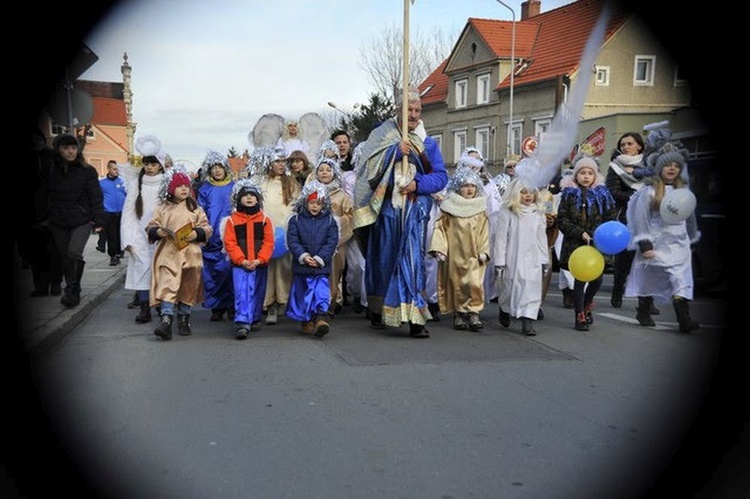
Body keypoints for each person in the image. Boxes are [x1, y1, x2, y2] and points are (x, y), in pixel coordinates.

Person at [352, 85, 448, 338]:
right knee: (383, 260)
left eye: (417, 110)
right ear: (398, 111)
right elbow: (367, 171)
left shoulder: (428, 143)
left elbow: (440, 177)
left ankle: (415, 317)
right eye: (409, 109)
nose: (414, 114)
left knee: (412, 261)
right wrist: (394, 152)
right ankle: (379, 307)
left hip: (414, 212)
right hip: (386, 211)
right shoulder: (381, 135)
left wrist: (418, 184)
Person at [624, 142, 701, 332]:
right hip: (656, 242)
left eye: (676, 165)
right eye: (668, 165)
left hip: (678, 243)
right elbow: (641, 219)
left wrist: (691, 238)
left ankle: (684, 320)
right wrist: (645, 244)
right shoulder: (649, 192)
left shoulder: (683, 192)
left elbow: (689, 217)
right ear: (660, 168)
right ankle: (643, 309)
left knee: (680, 281)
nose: (672, 168)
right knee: (650, 276)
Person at [147, 167, 213, 340]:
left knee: (188, 286)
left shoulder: (196, 209)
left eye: (186, 186)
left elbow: (207, 227)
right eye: (179, 186)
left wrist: (197, 233)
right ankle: (166, 319)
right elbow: (151, 225)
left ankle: (184, 317)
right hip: (169, 253)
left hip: (191, 255)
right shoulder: (163, 208)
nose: (184, 189)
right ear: (171, 189)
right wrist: (158, 231)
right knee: (168, 282)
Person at [555, 155, 617, 331]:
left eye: (590, 173)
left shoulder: (603, 194)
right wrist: (579, 232)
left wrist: (601, 234)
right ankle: (579, 314)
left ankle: (588, 303)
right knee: (580, 280)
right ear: (576, 175)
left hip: (597, 243)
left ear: (595, 175)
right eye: (582, 172)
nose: (586, 176)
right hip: (576, 244)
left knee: (597, 279)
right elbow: (562, 220)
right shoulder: (568, 195)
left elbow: (610, 218)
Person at [46, 133, 105, 308]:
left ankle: (72, 291)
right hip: (58, 220)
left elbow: (95, 196)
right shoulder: (51, 170)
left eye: (73, 147)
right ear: (59, 150)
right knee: (65, 257)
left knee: (74, 252)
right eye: (66, 148)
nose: (70, 151)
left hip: (81, 219)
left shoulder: (87, 171)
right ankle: (74, 286)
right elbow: (45, 194)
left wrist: (99, 220)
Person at [428, 167, 490, 332]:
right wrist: (440, 249)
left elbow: (484, 232)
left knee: (474, 283)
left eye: (472, 186)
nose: (469, 189)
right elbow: (440, 228)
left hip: (474, 255)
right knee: (456, 283)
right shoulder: (449, 208)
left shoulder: (480, 209)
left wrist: (484, 251)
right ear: (458, 187)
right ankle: (459, 313)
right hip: (454, 254)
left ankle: (474, 312)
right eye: (464, 185)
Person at [248, 147, 301, 325]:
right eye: (277, 161)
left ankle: (282, 301)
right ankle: (269, 303)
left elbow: (297, 205)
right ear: (269, 163)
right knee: (268, 268)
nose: (281, 165)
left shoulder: (291, 183)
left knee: (284, 268)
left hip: (285, 232)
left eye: (282, 161)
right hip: (266, 232)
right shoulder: (261, 183)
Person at [604, 131, 656, 311]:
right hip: (627, 216)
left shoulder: (649, 164)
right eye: (622, 144)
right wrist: (637, 196)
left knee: (648, 258)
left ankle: (647, 302)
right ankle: (617, 292)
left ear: (639, 146)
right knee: (624, 260)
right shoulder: (615, 167)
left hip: (649, 217)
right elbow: (612, 191)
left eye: (629, 143)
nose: (625, 147)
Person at [493, 178, 549, 336]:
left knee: (531, 288)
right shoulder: (508, 213)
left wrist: (545, 260)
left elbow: (541, 238)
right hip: (513, 257)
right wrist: (500, 262)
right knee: (509, 288)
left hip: (533, 258)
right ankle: (504, 308)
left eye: (531, 192)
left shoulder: (538, 213)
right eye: (524, 192)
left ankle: (528, 320)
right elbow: (501, 239)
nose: (528, 196)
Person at [284, 180, 340, 338]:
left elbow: (331, 242)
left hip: (321, 266)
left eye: (318, 203)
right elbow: (292, 241)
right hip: (303, 266)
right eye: (312, 202)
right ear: (306, 202)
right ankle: (306, 319)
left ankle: (321, 317)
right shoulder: (295, 220)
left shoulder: (330, 221)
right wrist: (304, 256)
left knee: (321, 293)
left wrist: (320, 258)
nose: (315, 206)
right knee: (304, 294)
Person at [121, 136, 167, 323]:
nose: (149, 167)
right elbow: (128, 212)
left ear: (160, 165)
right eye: (146, 163)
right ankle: (144, 307)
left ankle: (163, 305)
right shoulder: (135, 184)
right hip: (140, 234)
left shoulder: (166, 183)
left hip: (161, 234)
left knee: (162, 270)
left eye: (153, 164)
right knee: (142, 269)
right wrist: (128, 239)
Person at [223, 179, 275, 339]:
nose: (249, 198)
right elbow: (230, 242)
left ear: (258, 199)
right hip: (240, 265)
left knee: (257, 291)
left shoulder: (265, 220)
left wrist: (260, 259)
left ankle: (255, 317)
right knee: (241, 292)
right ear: (239, 199)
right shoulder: (232, 220)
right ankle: (242, 321)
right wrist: (241, 260)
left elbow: (269, 242)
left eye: (253, 195)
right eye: (245, 195)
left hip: (259, 264)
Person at [22, 127, 63, 297]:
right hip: (30, 216)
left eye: (38, 140)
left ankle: (55, 283)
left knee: (54, 253)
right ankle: (40, 285)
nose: (36, 143)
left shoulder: (53, 158)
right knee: (34, 255)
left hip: (53, 214)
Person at [196, 150, 235, 322]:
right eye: (213, 168)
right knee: (212, 273)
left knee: (230, 273)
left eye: (220, 167)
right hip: (211, 237)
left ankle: (232, 305)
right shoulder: (205, 189)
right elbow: (200, 211)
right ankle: (216, 306)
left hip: (230, 236)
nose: (217, 171)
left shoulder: (234, 187)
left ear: (225, 168)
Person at [312, 156, 354, 316]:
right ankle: (316, 302)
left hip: (336, 241)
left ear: (334, 173)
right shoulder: (311, 193)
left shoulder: (341, 196)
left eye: (328, 170)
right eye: (321, 170)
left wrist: (337, 223)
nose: (324, 173)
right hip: (315, 240)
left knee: (335, 271)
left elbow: (350, 216)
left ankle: (331, 302)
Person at [98, 160, 127, 266]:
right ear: (109, 169)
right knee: (112, 236)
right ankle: (113, 256)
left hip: (122, 212)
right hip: (108, 213)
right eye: (114, 169)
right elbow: (98, 197)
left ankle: (120, 251)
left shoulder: (123, 182)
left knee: (120, 234)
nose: (116, 171)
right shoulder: (102, 183)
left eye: (118, 169)